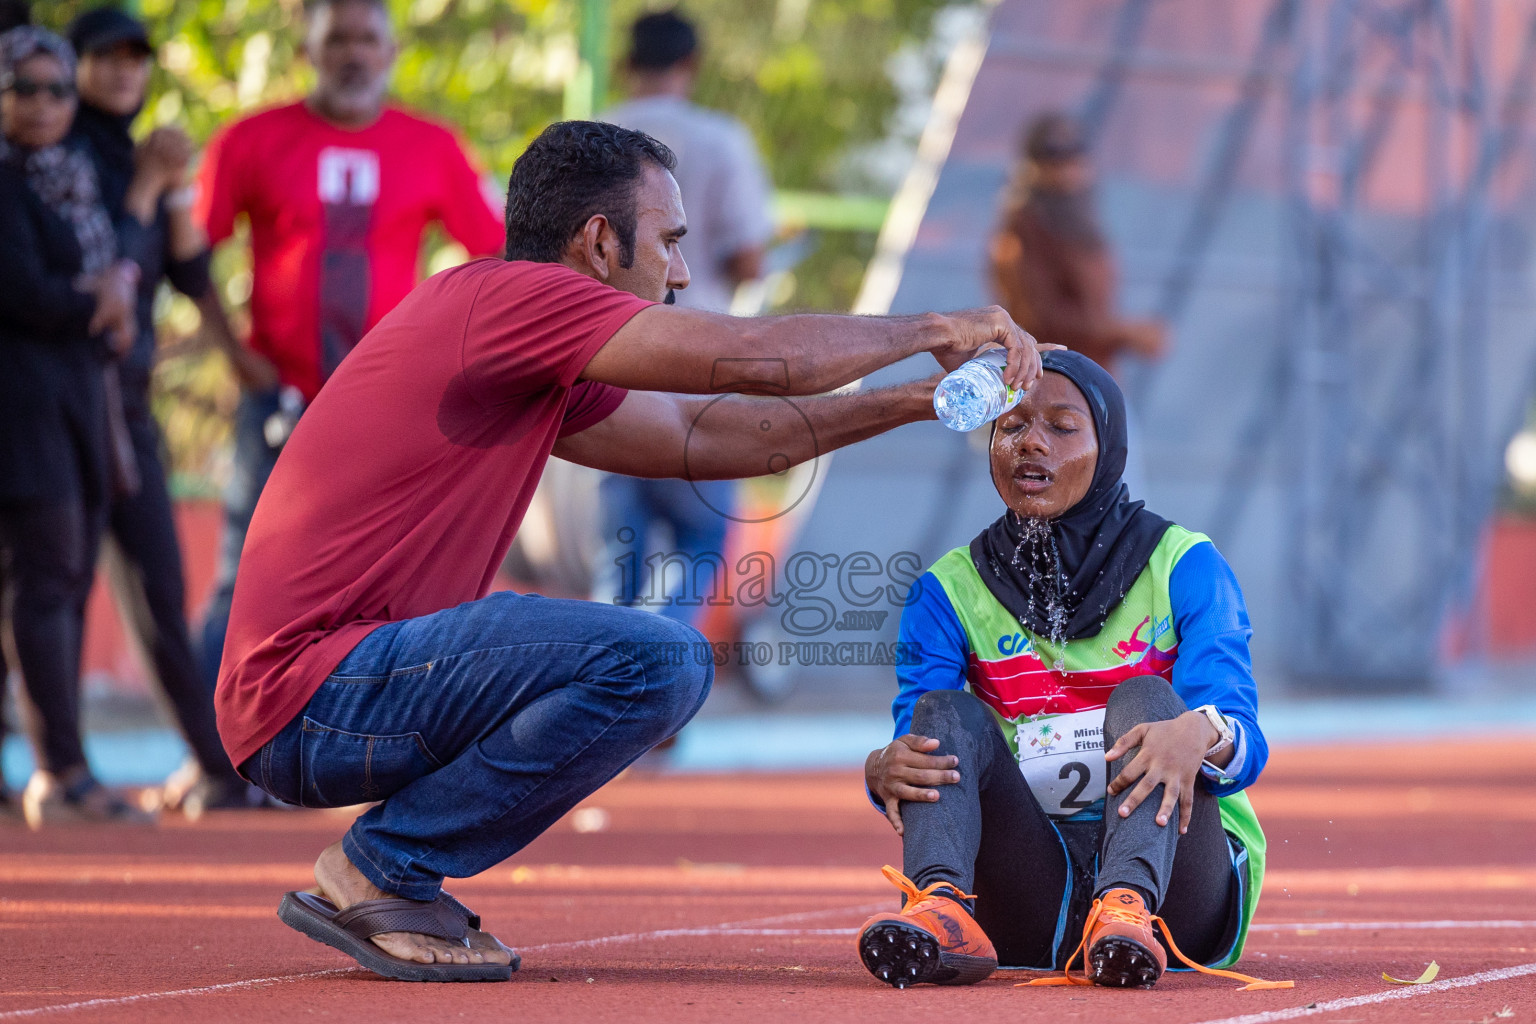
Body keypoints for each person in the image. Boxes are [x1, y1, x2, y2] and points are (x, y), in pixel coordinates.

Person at [218, 120, 1044, 981]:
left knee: (661, 658)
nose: (682, 271)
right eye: (671, 241)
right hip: (312, 696)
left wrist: (919, 399)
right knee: (660, 660)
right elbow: (758, 360)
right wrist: (938, 325)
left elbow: (705, 436)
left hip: (326, 702)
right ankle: (382, 868)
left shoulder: (532, 349)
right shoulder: (510, 300)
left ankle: (391, 867)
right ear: (600, 241)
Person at [857, 350, 1286, 991]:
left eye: (1061, 427)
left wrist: (1200, 733)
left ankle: (1125, 905)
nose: (1032, 444)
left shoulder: (1185, 565)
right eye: (1012, 426)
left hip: (1179, 893)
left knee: (1147, 697)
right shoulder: (944, 591)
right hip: (1036, 893)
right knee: (940, 715)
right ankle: (940, 907)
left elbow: (1244, 738)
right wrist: (882, 769)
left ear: (1108, 445)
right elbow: (924, 750)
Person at [191, 0, 505, 696]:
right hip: (277, 396)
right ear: (307, 50)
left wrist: (452, 358)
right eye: (337, 40)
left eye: (368, 40)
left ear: (391, 53)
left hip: (388, 410)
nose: (353, 55)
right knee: (244, 574)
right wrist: (233, 352)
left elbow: (498, 255)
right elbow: (187, 252)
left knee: (388, 580)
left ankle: (365, 743)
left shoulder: (434, 146)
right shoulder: (248, 141)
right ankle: (213, 760)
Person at [65, 6, 255, 815]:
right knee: (53, 588)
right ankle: (61, 770)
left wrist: (240, 358)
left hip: (129, 402)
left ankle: (214, 763)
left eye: (136, 58)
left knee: (158, 583)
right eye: (104, 57)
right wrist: (146, 185)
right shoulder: (57, 153)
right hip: (59, 397)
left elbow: (187, 272)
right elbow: (101, 261)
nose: (122, 71)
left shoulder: (143, 154)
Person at [0, 26, 146, 825]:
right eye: (26, 87)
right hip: (23, 414)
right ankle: (60, 772)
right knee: (46, 582)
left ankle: (55, 766)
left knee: (53, 579)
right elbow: (20, 291)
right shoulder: (6, 182)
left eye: (59, 89)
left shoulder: (74, 177)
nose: (46, 104)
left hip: (74, 404)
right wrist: (98, 297)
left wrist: (107, 291)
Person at [595, 8, 774, 624]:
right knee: (704, 537)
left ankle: (611, 677)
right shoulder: (721, 140)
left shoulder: (588, 136)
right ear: (692, 65)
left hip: (606, 357)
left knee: (621, 552)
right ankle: (661, 671)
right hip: (697, 363)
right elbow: (750, 259)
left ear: (624, 63)